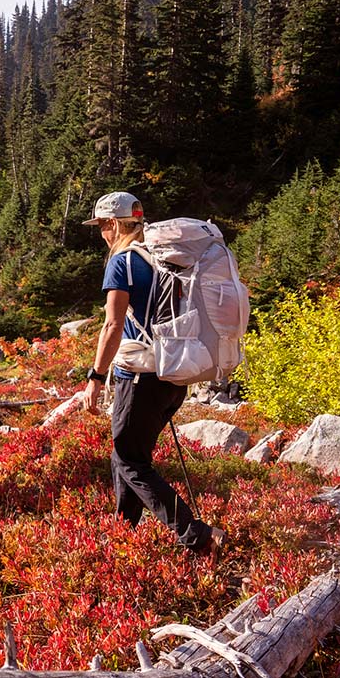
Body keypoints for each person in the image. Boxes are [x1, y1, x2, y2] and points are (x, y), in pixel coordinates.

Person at [78, 191, 225, 556]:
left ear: (112, 224)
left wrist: (96, 378)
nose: (101, 234)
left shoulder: (123, 262)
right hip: (174, 376)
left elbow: (112, 325)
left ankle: (197, 535)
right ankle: (123, 532)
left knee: (130, 459)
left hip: (141, 375)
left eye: (101, 227)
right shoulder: (167, 259)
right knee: (128, 455)